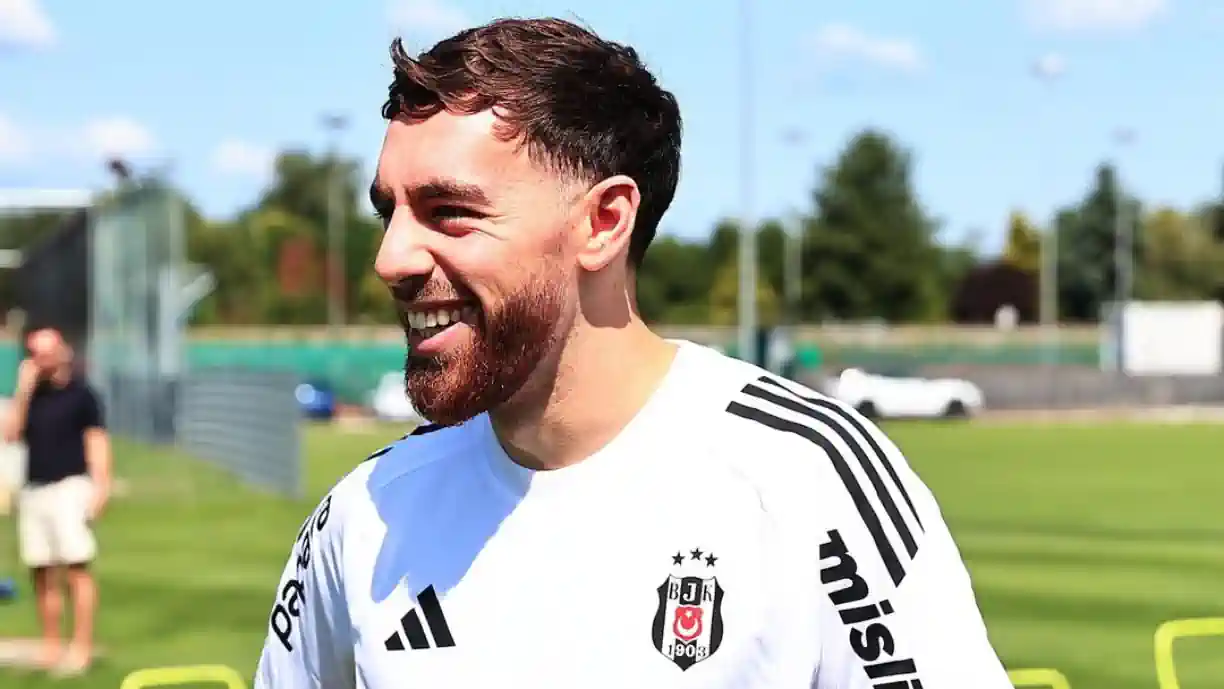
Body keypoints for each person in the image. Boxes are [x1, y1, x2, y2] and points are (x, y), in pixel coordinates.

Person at [254, 17, 1012, 689]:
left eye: (449, 211)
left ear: (604, 222)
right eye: (389, 213)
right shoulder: (365, 513)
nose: (391, 259)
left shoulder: (805, 479)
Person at [4, 328, 110, 676]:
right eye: (35, 353)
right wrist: (22, 390)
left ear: (62, 351)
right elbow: (11, 434)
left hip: (70, 487)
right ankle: (50, 645)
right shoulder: (31, 395)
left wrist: (102, 485)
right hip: (35, 488)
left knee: (76, 568)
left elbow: (96, 440)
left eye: (47, 352)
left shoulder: (82, 394)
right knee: (42, 572)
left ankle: (81, 646)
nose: (42, 360)